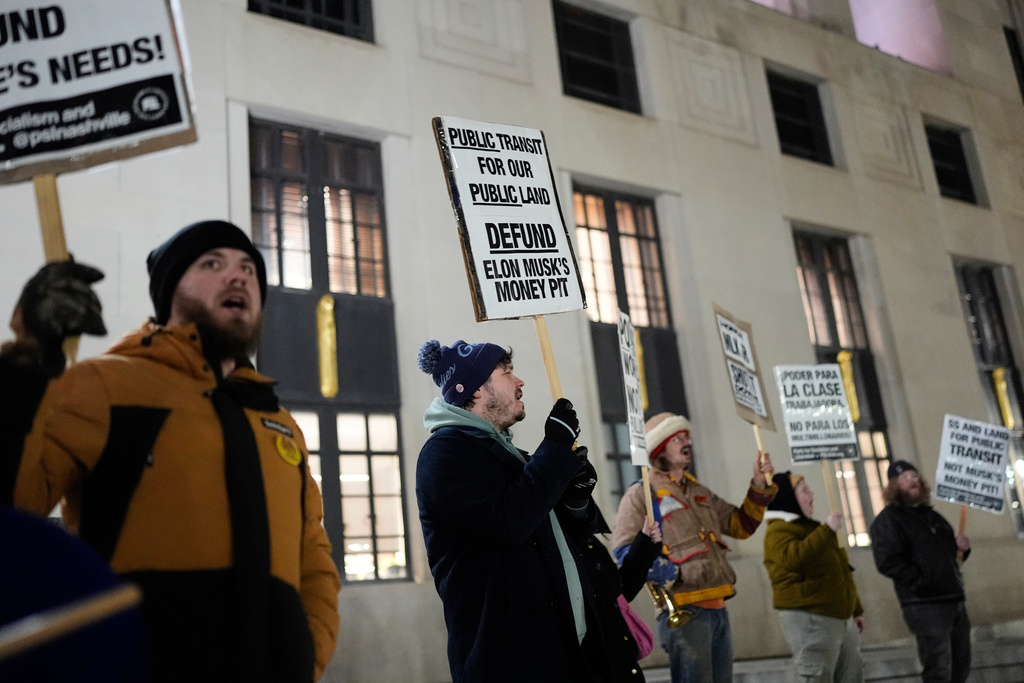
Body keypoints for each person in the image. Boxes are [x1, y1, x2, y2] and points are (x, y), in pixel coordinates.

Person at [0, 220, 340, 682]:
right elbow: (12, 508)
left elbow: (313, 558)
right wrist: (25, 364)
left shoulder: (278, 423)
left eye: (248, 269)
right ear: (169, 292)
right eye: (212, 264)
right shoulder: (104, 384)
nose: (238, 276)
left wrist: (306, 655)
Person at [415, 338, 661, 682]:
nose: (520, 381)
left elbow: (567, 539)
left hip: (566, 654)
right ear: (475, 389)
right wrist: (555, 446)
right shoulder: (444, 454)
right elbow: (508, 522)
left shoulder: (513, 457)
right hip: (512, 662)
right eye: (506, 372)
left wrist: (576, 499)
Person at [611, 412, 777, 683]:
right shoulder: (642, 494)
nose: (687, 442)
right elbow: (623, 552)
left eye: (687, 437)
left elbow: (740, 525)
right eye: (677, 438)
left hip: (719, 606)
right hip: (684, 611)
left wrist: (759, 484)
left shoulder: (698, 490)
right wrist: (671, 574)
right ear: (659, 448)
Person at [869, 460, 971, 683]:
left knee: (960, 667)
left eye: (914, 476)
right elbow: (887, 561)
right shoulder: (888, 520)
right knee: (939, 670)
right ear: (894, 485)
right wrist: (922, 581)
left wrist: (961, 548)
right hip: (924, 605)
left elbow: (950, 557)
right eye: (905, 478)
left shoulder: (932, 517)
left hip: (953, 600)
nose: (912, 481)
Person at [762, 471, 865, 683]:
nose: (811, 494)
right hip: (811, 616)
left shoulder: (812, 529)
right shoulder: (778, 531)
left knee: (850, 675)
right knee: (817, 675)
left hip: (839, 615)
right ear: (789, 497)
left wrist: (855, 609)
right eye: (804, 490)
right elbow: (794, 560)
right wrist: (828, 530)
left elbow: (842, 570)